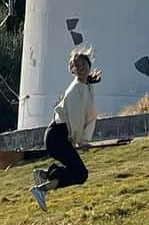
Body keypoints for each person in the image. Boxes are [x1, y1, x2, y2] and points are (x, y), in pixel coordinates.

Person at [30, 48, 101, 211]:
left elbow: (90, 116)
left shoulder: (87, 87)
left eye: (84, 64)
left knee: (78, 172)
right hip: (57, 136)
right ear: (74, 70)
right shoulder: (76, 89)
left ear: (89, 65)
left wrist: (85, 140)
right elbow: (75, 120)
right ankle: (41, 189)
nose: (82, 68)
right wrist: (80, 141)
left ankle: (45, 175)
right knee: (80, 173)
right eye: (78, 66)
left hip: (59, 136)